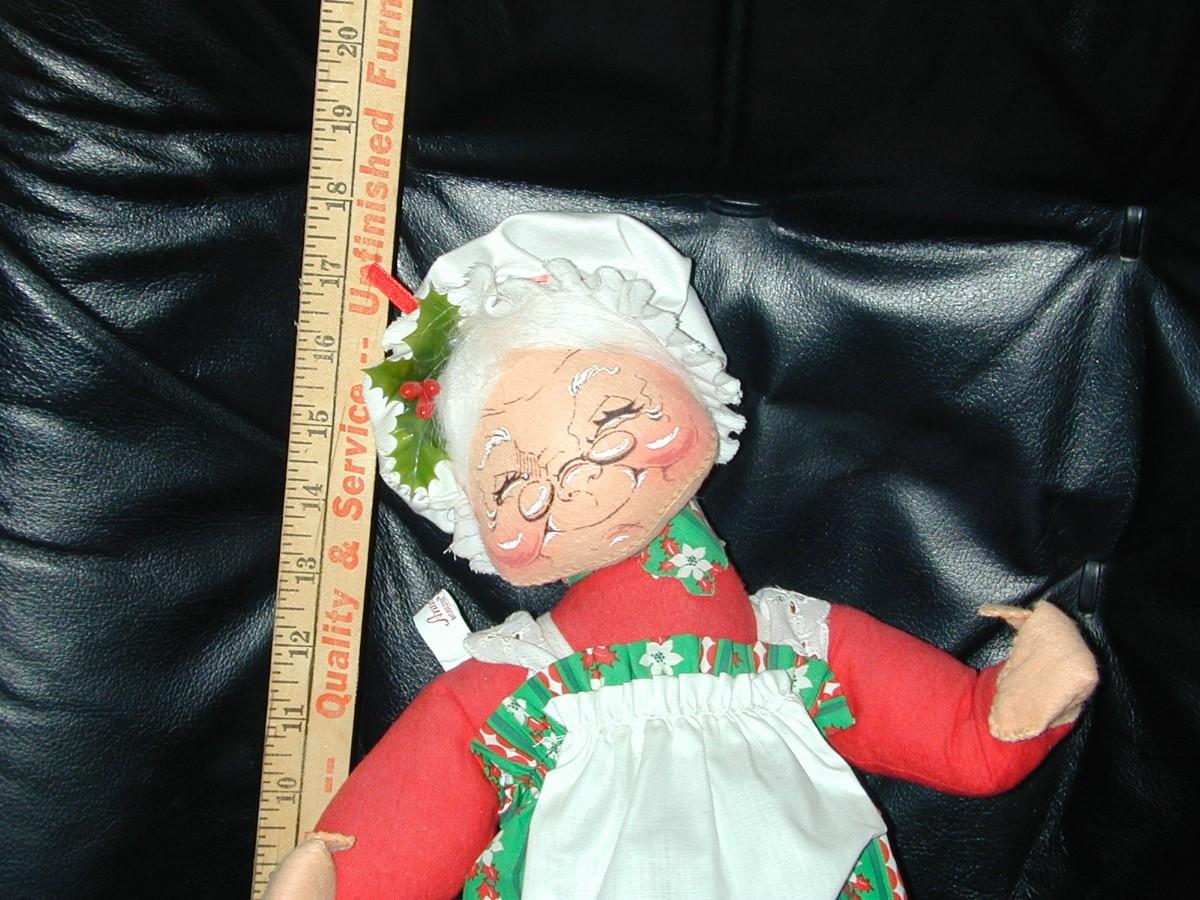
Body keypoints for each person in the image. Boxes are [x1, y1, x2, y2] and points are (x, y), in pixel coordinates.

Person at [267, 212, 1098, 900]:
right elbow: (421, 808)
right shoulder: (515, 683)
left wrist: (1012, 707)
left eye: (611, 415)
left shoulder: (791, 645)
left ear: (694, 389)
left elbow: (959, 735)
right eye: (512, 481)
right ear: (474, 522)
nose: (570, 477)